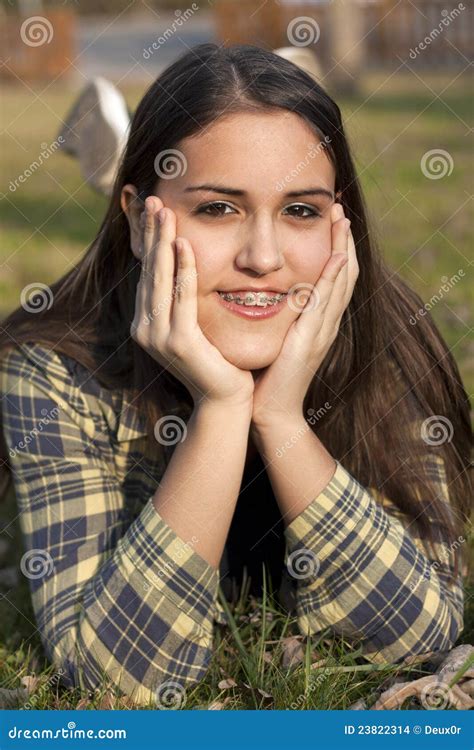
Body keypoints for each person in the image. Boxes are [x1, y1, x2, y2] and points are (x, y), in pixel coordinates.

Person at [0, 43, 471, 707]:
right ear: (138, 218)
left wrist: (280, 417)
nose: (264, 256)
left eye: (302, 209)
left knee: (244, 152)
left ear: (341, 222)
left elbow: (418, 632)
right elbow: (121, 679)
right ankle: (132, 163)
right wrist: (221, 408)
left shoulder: (382, 335)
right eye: (218, 209)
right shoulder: (53, 375)